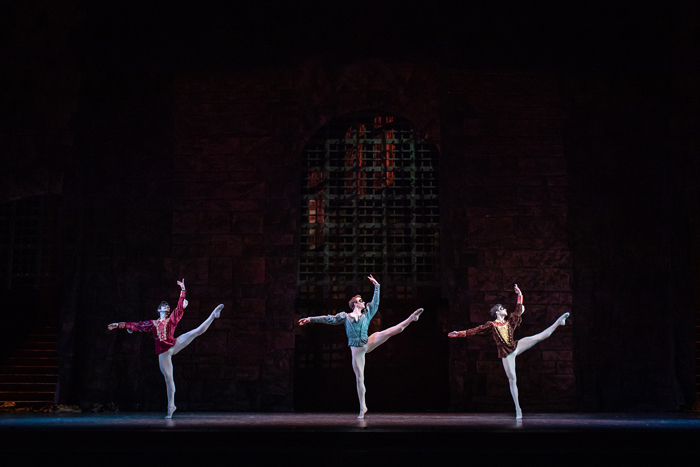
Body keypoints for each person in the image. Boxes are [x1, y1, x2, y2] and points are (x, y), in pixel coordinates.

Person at [298, 274, 423, 419]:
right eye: (361, 301)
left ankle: (411, 318)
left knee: (391, 331)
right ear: (355, 304)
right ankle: (363, 407)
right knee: (359, 378)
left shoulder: (367, 314)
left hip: (367, 342)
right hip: (357, 351)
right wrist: (310, 319)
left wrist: (377, 286)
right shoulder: (345, 316)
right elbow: (329, 319)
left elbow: (375, 304)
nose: (363, 302)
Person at [448, 284, 569, 419]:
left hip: (516, 346)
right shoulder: (491, 325)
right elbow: (476, 330)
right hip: (507, 354)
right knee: (512, 379)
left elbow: (517, 311)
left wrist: (519, 295)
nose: (505, 309)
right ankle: (518, 408)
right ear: (498, 312)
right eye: (503, 308)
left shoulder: (510, 322)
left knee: (538, 337)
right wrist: (459, 333)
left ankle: (558, 322)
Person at [108, 278, 223, 419]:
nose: (165, 305)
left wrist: (182, 290)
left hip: (174, 344)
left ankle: (213, 315)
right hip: (163, 353)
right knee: (169, 379)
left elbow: (179, 308)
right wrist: (119, 325)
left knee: (195, 332)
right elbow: (137, 325)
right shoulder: (152, 323)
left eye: (166, 305)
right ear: (158, 310)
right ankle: (171, 407)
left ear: (168, 310)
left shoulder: (171, 320)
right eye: (163, 305)